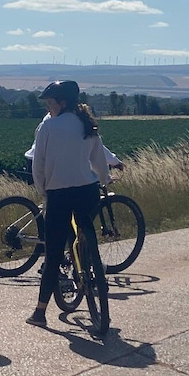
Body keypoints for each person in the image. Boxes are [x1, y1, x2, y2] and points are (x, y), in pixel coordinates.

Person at [27, 80, 111, 329]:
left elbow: (38, 166)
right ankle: (91, 257)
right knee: (86, 228)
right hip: (87, 191)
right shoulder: (88, 124)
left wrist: (45, 193)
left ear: (62, 103)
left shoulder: (48, 127)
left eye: (50, 103)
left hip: (59, 194)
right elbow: (98, 160)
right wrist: (105, 180)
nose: (48, 107)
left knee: (53, 252)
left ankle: (40, 312)